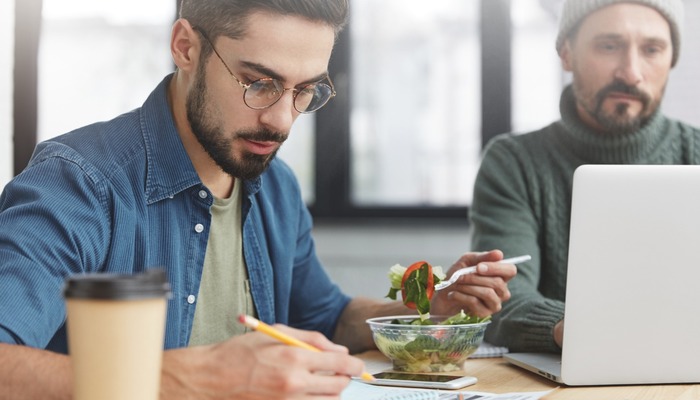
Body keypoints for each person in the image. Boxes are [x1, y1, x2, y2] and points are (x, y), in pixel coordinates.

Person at [0, 1, 517, 399]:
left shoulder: (275, 186)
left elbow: (326, 317)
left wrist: (423, 306)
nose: (283, 120)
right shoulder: (79, 183)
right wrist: (194, 379)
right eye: (259, 82)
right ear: (185, 46)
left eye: (304, 90)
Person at [470, 0, 698, 354]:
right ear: (566, 53)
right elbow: (500, 303)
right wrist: (595, 333)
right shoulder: (513, 163)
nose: (631, 72)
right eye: (609, 46)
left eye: (652, 49)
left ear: (672, 60)